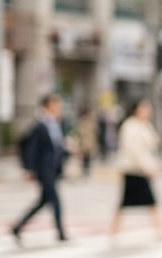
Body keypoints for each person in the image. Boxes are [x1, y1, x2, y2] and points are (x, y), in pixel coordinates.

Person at [12, 94, 69, 243]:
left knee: (43, 201)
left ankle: (18, 226)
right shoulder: (39, 126)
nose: (59, 107)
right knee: (55, 200)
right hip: (44, 169)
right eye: (56, 104)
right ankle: (60, 232)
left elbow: (57, 147)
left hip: (54, 169)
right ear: (47, 106)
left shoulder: (57, 124)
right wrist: (29, 169)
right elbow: (32, 149)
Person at [111, 99, 162, 240]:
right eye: (144, 108)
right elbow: (134, 151)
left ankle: (160, 230)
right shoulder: (130, 126)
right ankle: (113, 231)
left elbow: (153, 145)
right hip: (133, 170)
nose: (148, 111)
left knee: (150, 201)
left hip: (142, 169)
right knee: (126, 202)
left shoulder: (145, 125)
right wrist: (147, 167)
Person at [76, 106, 99, 177]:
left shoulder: (92, 122)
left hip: (89, 143)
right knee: (84, 158)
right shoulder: (83, 123)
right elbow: (80, 134)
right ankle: (84, 170)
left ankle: (87, 170)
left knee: (89, 158)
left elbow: (94, 134)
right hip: (85, 143)